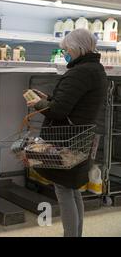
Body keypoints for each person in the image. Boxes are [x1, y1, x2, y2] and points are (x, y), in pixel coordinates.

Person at [26, 28, 107, 237]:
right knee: (72, 188)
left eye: (66, 49)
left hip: (67, 138)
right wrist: (50, 98)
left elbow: (59, 110)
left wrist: (39, 104)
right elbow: (73, 102)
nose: (64, 52)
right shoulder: (95, 69)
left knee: (63, 189)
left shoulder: (80, 71)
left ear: (77, 48)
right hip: (81, 137)